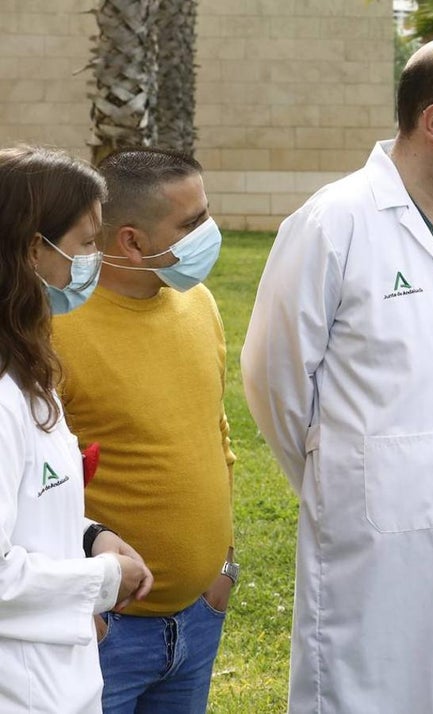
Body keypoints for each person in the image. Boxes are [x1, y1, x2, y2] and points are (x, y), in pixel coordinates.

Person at [242, 37, 433, 713]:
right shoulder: (334, 223)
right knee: (377, 682)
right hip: (375, 530)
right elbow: (273, 378)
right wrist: (344, 471)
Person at [51, 147, 236, 714]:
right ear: (131, 241)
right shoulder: (54, 331)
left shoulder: (198, 303)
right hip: (106, 635)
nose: (209, 233)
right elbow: (34, 488)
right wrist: (86, 611)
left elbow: (217, 435)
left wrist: (223, 569)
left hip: (199, 618)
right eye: (191, 223)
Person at [0, 145, 153, 712]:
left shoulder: (27, 364)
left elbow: (26, 502)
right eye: (86, 244)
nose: (95, 260)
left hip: (60, 681)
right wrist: (103, 580)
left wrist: (89, 537)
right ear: (32, 250)